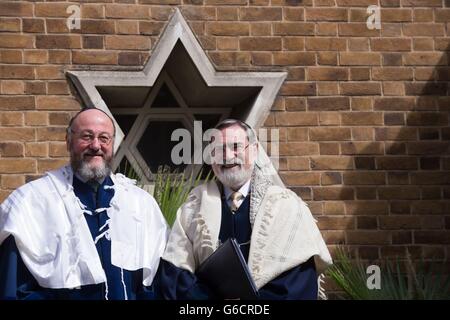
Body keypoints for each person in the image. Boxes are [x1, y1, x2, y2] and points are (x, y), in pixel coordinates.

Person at [0, 108, 168, 300]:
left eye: (104, 138)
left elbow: (156, 284)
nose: (96, 145)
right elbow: (13, 289)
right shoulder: (30, 202)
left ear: (113, 145)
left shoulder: (141, 204)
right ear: (68, 141)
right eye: (86, 136)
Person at [157, 119, 332, 300]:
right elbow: (176, 275)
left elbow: (299, 279)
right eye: (218, 149)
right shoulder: (193, 208)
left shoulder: (286, 206)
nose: (227, 156)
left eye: (236, 146)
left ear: (255, 151)